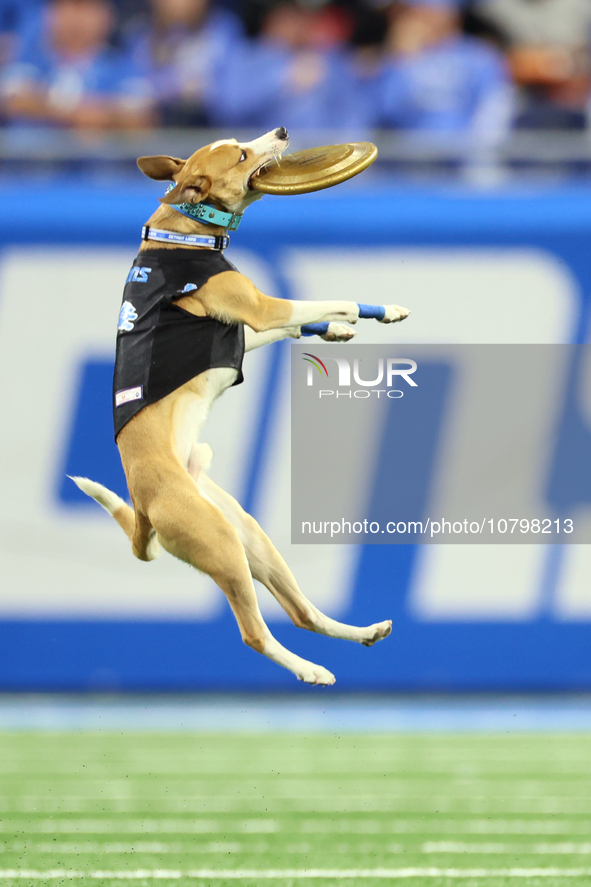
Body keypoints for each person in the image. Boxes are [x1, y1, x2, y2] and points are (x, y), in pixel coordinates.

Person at [210, 1, 369, 132]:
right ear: (270, 18)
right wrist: (282, 77)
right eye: (287, 15)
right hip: (262, 160)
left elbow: (356, 115)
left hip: (320, 159)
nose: (295, 24)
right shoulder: (246, 56)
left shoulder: (328, 59)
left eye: (300, 16)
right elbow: (227, 107)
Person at [373, 0, 513, 144]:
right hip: (402, 158)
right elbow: (382, 111)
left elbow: (493, 118)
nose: (409, 20)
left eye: (419, 12)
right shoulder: (396, 57)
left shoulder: (481, 57)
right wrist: (400, 60)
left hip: (461, 158)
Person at [1, 0, 153, 131]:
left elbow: (140, 117)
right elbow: (14, 101)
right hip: (30, 163)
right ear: (49, 14)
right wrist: (77, 113)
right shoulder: (30, 57)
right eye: (69, 6)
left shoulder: (122, 65)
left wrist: (46, 104)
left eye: (88, 8)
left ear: (107, 16)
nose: (76, 19)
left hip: (97, 163)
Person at [123, 0, 244, 127]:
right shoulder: (136, 35)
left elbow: (231, 102)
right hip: (150, 139)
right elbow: (124, 89)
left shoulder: (226, 32)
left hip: (207, 134)